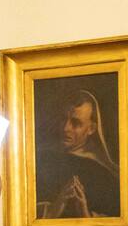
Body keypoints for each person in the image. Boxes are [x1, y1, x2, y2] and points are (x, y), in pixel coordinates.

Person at [35, 89, 120, 218]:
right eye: (63, 119)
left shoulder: (103, 174)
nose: (65, 128)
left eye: (75, 123)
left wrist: (85, 213)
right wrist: (53, 210)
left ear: (91, 129)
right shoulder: (41, 159)